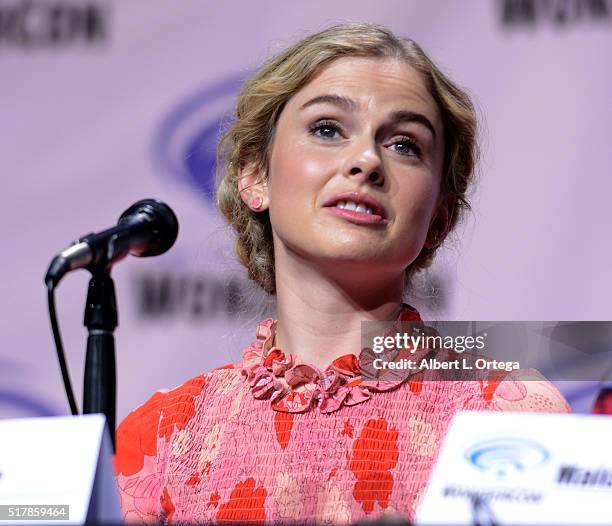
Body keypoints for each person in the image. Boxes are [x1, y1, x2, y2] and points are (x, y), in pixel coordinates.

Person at [114, 23, 570, 524]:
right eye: (328, 129)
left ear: (438, 217)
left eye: (404, 145)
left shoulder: (507, 413)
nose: (367, 160)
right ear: (254, 175)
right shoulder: (162, 437)